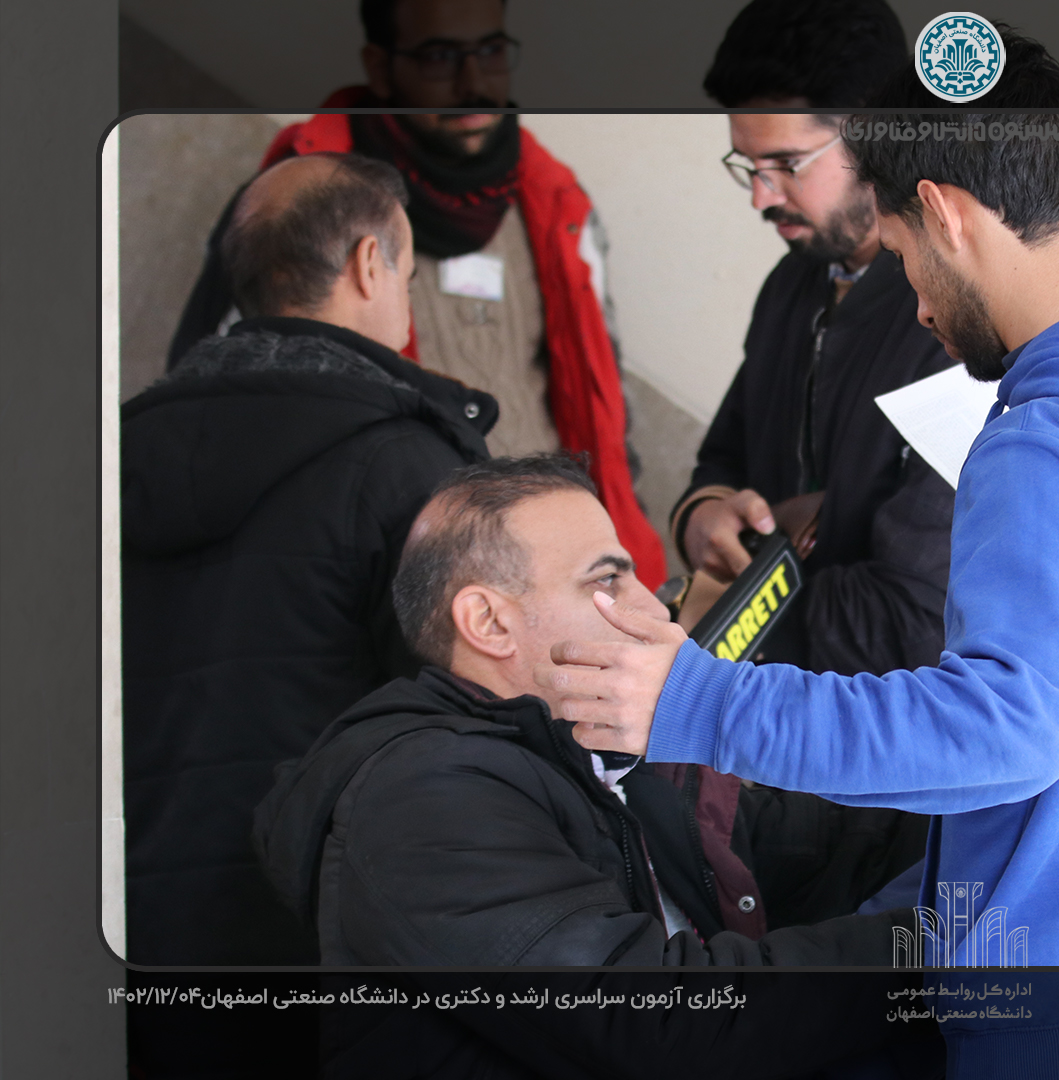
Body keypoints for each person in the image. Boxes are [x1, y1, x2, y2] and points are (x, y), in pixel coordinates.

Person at [526, 27, 1059, 1079]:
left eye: (902, 256)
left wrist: (700, 703)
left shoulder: (1043, 443)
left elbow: (1002, 736)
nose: (920, 305)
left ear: (942, 212)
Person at [253, 454, 926, 970]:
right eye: (606, 580)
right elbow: (664, 1025)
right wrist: (937, 944)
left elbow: (829, 845)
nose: (655, 609)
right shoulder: (423, 796)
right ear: (488, 622)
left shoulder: (606, 758)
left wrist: (969, 795)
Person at [123, 151, 494, 967]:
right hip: (299, 925)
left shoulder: (118, 447)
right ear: (369, 264)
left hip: (120, 911)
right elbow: (469, 720)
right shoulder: (406, 463)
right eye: (406, 274)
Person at [167, 0, 669, 588]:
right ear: (381, 67)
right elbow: (220, 418)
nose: (473, 83)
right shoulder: (297, 205)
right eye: (439, 58)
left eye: (490, 51)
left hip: (559, 570)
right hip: (397, 582)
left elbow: (606, 405)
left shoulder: (557, 201)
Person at [677, 0, 955, 685]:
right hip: (769, 702)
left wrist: (735, 614)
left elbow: (913, 619)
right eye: (748, 165)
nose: (761, 197)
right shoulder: (793, 285)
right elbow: (722, 457)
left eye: (786, 163)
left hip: (873, 729)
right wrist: (704, 519)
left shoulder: (956, 325)